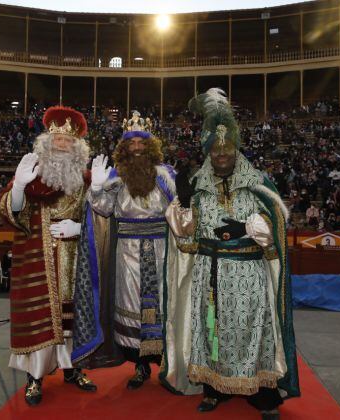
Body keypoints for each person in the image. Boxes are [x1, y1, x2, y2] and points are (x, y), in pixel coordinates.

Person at [166, 89, 299, 417]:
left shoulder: (257, 181)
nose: (222, 154)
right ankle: (214, 389)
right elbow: (185, 234)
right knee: (212, 330)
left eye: (227, 148)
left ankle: (263, 392)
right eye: (215, 148)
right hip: (208, 271)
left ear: (236, 147)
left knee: (253, 330)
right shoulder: (197, 184)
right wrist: (183, 202)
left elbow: (277, 221)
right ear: (208, 150)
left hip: (248, 272)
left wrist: (246, 228)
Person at [0, 106, 97, 406]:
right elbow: (12, 211)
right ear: (46, 142)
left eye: (68, 141)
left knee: (75, 317)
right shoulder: (31, 173)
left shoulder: (87, 179)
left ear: (77, 146)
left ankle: (72, 368)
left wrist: (80, 227)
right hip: (39, 259)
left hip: (77, 257)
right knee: (40, 318)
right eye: (56, 140)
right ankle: (35, 378)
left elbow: (100, 219)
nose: (61, 145)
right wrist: (19, 188)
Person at [78, 111, 176, 390]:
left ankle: (167, 364)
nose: (136, 146)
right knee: (131, 305)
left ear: (150, 146)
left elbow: (178, 212)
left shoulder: (165, 175)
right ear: (123, 146)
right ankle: (141, 366)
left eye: (141, 142)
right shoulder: (115, 176)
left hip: (161, 249)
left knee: (163, 305)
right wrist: (96, 189)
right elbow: (103, 209)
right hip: (127, 252)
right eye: (131, 142)